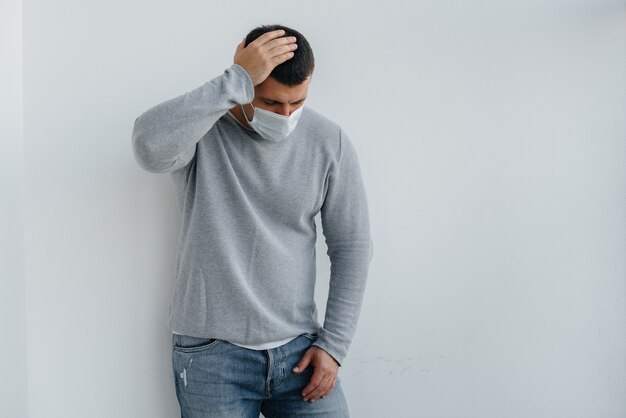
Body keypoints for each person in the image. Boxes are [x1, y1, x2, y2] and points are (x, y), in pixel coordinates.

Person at [131, 23, 373, 417]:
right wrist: (237, 78)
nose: (286, 115)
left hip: (301, 350)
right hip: (211, 356)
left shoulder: (329, 142)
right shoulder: (203, 130)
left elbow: (353, 247)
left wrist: (334, 345)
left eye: (298, 102)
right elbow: (147, 148)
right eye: (271, 103)